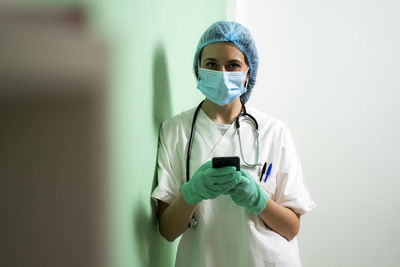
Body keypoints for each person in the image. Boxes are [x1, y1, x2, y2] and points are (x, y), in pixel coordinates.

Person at [151, 21, 315, 267]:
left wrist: (259, 200)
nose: (222, 74)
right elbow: (168, 230)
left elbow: (291, 228)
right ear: (199, 67)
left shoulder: (274, 132)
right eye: (212, 65)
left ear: (249, 72)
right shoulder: (176, 131)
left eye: (233, 65)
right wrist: (191, 193)